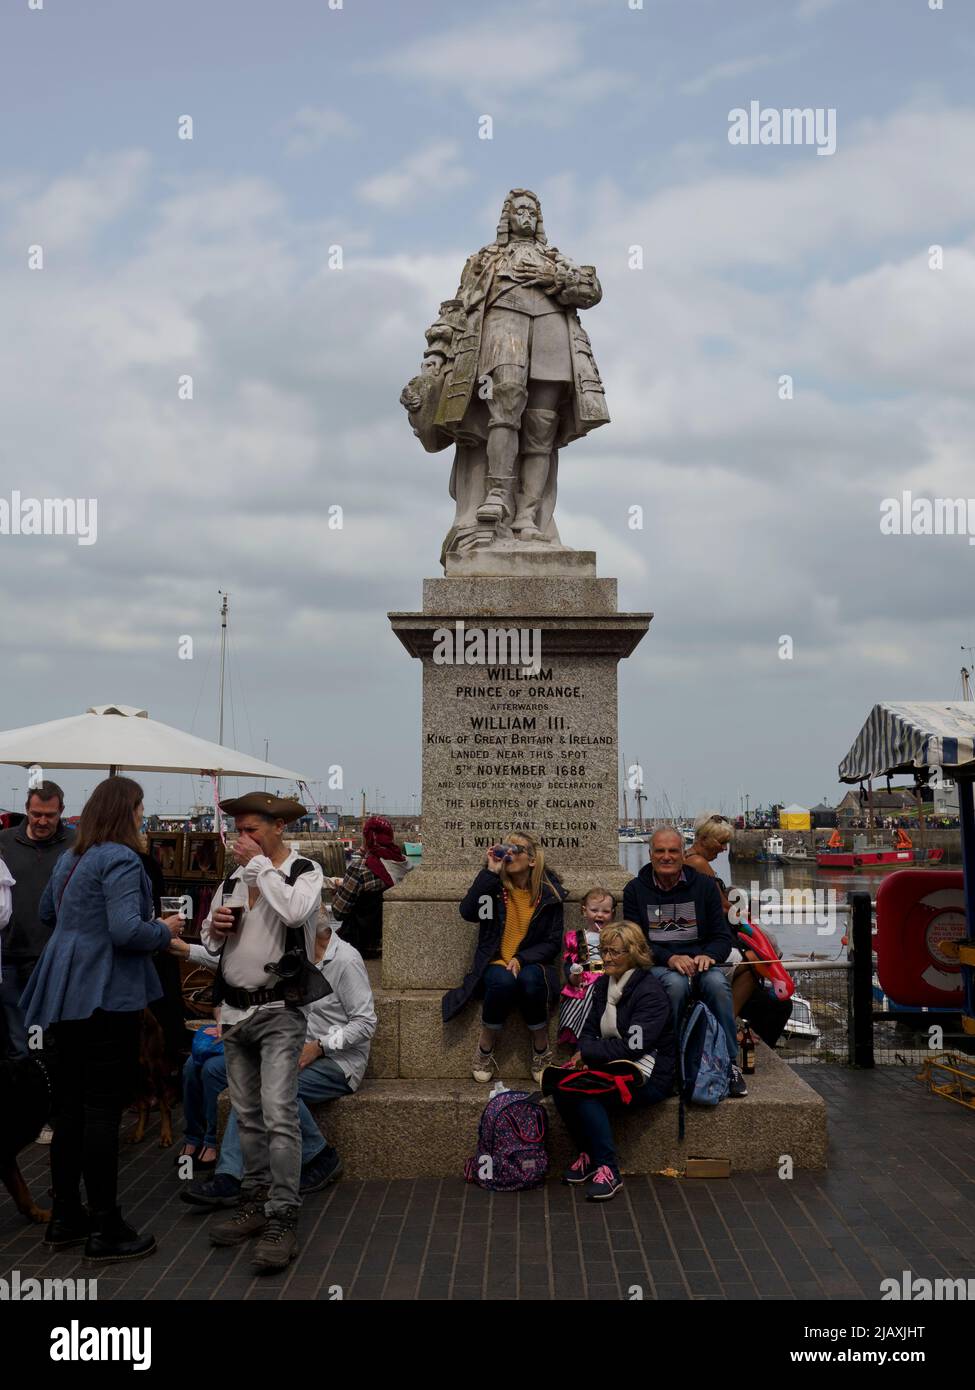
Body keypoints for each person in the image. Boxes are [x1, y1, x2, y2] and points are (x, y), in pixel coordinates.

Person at [20, 776, 184, 1262]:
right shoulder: (120, 858)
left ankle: (67, 1217)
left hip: (64, 989)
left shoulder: (72, 856)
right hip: (105, 995)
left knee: (69, 1109)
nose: (141, 816)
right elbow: (126, 930)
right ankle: (107, 1226)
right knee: (101, 1110)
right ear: (126, 811)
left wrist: (81, 930)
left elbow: (48, 911)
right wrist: (164, 928)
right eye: (138, 808)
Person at [200, 792, 323, 1273]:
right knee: (247, 1115)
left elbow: (294, 914)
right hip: (234, 1013)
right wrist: (216, 923)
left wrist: (259, 869)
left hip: (279, 1011)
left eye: (252, 830)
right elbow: (211, 942)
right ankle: (254, 1200)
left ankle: (282, 1215)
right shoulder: (231, 878)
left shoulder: (302, 871)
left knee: (278, 1114)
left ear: (277, 829)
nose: (242, 839)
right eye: (239, 831)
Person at [183, 910, 376, 1210]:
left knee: (261, 1088)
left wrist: (320, 1047)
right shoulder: (295, 955)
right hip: (287, 1051)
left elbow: (365, 1023)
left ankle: (231, 1178)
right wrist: (186, 950)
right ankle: (312, 1155)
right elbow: (236, 961)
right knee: (218, 1071)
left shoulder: (345, 960)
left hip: (338, 1063)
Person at [554, 921, 676, 1202]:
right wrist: (584, 1051)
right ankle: (588, 1154)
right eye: (604, 950)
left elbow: (633, 1047)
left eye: (615, 952)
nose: (607, 958)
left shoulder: (649, 993)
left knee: (587, 1095)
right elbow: (588, 1030)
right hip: (612, 1063)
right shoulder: (601, 986)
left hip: (650, 1073)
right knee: (561, 1087)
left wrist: (590, 1054)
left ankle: (608, 1169)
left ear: (633, 954)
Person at [622, 827, 748, 1098]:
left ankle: (729, 1063)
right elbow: (635, 942)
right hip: (659, 964)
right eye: (660, 851)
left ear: (682, 854)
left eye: (673, 851)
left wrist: (709, 955)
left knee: (716, 984)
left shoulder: (703, 886)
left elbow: (722, 937)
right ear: (650, 854)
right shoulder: (634, 890)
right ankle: (671, 1062)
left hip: (701, 962)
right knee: (676, 986)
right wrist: (669, 957)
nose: (666, 857)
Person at [443, 831, 566, 1085]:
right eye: (505, 848)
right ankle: (485, 1047)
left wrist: (522, 958)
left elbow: (552, 943)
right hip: (496, 962)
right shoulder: (495, 889)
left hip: (532, 963)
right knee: (502, 981)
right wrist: (490, 871)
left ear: (532, 860)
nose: (508, 853)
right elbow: (468, 912)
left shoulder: (550, 894)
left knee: (531, 980)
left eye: (516, 849)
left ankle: (541, 1050)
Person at [0, 781, 76, 1059]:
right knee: (16, 1040)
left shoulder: (76, 845)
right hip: (7, 956)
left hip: (52, 957)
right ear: (26, 810)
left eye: (50, 815)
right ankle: (21, 1094)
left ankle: (45, 1093)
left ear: (62, 812)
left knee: (47, 1039)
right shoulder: (4, 841)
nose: (42, 821)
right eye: (36, 814)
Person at [330, 815, 411, 958]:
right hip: (395, 944)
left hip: (361, 946)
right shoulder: (406, 865)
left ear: (368, 838)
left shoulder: (361, 868)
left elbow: (338, 912)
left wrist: (338, 892)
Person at [558, 887, 615, 1046]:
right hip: (582, 982)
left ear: (613, 914)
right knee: (578, 1001)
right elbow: (570, 966)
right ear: (584, 911)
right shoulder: (577, 937)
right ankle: (580, 1041)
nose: (599, 914)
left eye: (605, 911)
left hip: (608, 980)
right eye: (594, 910)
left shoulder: (615, 936)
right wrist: (574, 975)